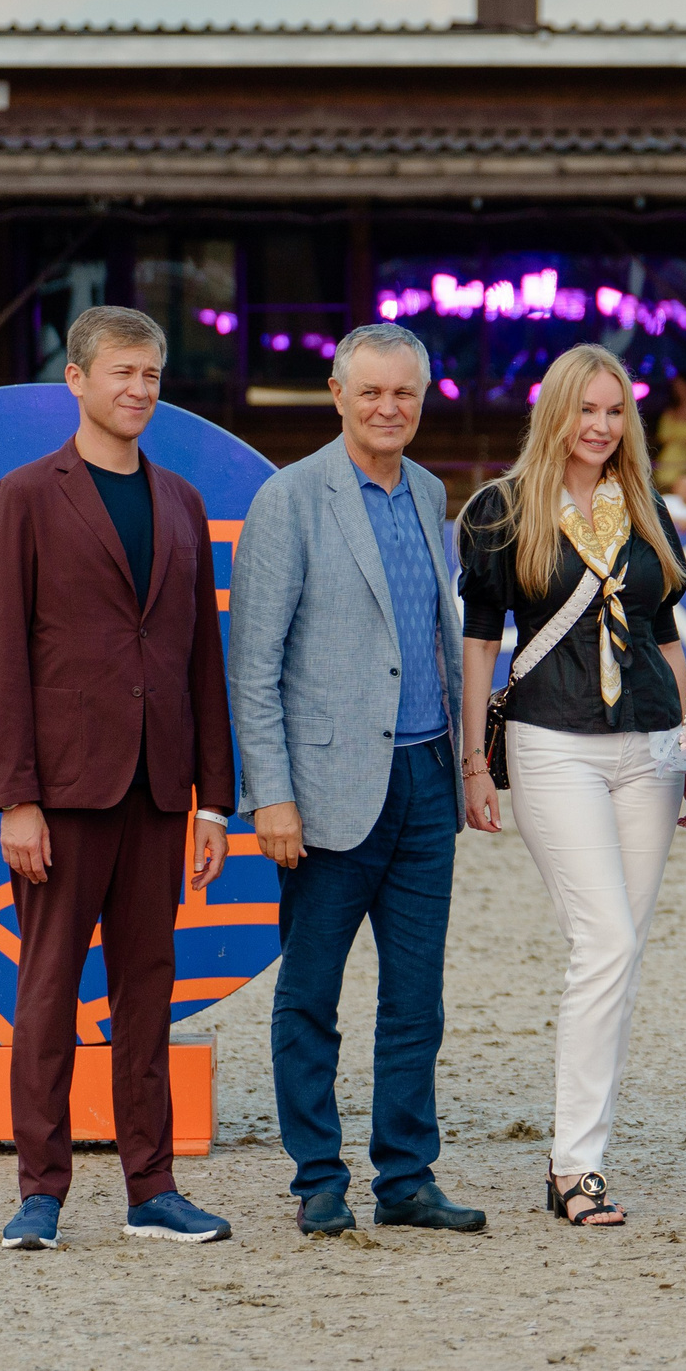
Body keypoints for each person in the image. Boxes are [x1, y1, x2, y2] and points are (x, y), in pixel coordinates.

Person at [0, 305, 235, 1251]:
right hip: (64, 795)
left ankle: (151, 1188)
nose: (139, 389)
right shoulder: (26, 496)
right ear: (76, 380)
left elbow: (203, 655)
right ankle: (40, 1190)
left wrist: (216, 799)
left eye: (152, 374)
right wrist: (16, 797)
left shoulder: (183, 503)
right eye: (121, 371)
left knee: (147, 994)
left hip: (161, 793)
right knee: (46, 993)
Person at [227, 323, 483, 1239]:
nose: (388, 408)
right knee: (311, 996)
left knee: (417, 997)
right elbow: (251, 664)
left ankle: (407, 1176)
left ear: (422, 399)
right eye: (370, 392)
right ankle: (317, 1177)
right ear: (336, 394)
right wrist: (273, 794)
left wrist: (465, 769)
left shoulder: (427, 490)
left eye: (404, 394)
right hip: (327, 790)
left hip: (423, 779)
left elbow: (440, 646)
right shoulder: (288, 498)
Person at [459, 343, 686, 1229]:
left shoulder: (645, 504)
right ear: (555, 411)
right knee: (604, 937)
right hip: (551, 740)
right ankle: (577, 1166)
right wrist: (473, 760)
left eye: (615, 412)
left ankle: (578, 1151)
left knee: (619, 948)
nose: (600, 427)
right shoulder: (499, 509)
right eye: (586, 410)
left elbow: (668, 631)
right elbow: (480, 643)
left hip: (647, 743)